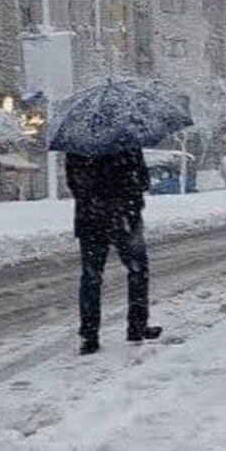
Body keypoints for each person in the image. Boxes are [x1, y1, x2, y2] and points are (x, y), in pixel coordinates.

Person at [66, 147, 161, 355]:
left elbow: (74, 184)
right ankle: (137, 326)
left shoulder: (78, 147)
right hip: (124, 217)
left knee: (91, 278)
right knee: (137, 271)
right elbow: (142, 181)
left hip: (90, 220)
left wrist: (94, 198)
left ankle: (89, 336)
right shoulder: (127, 145)